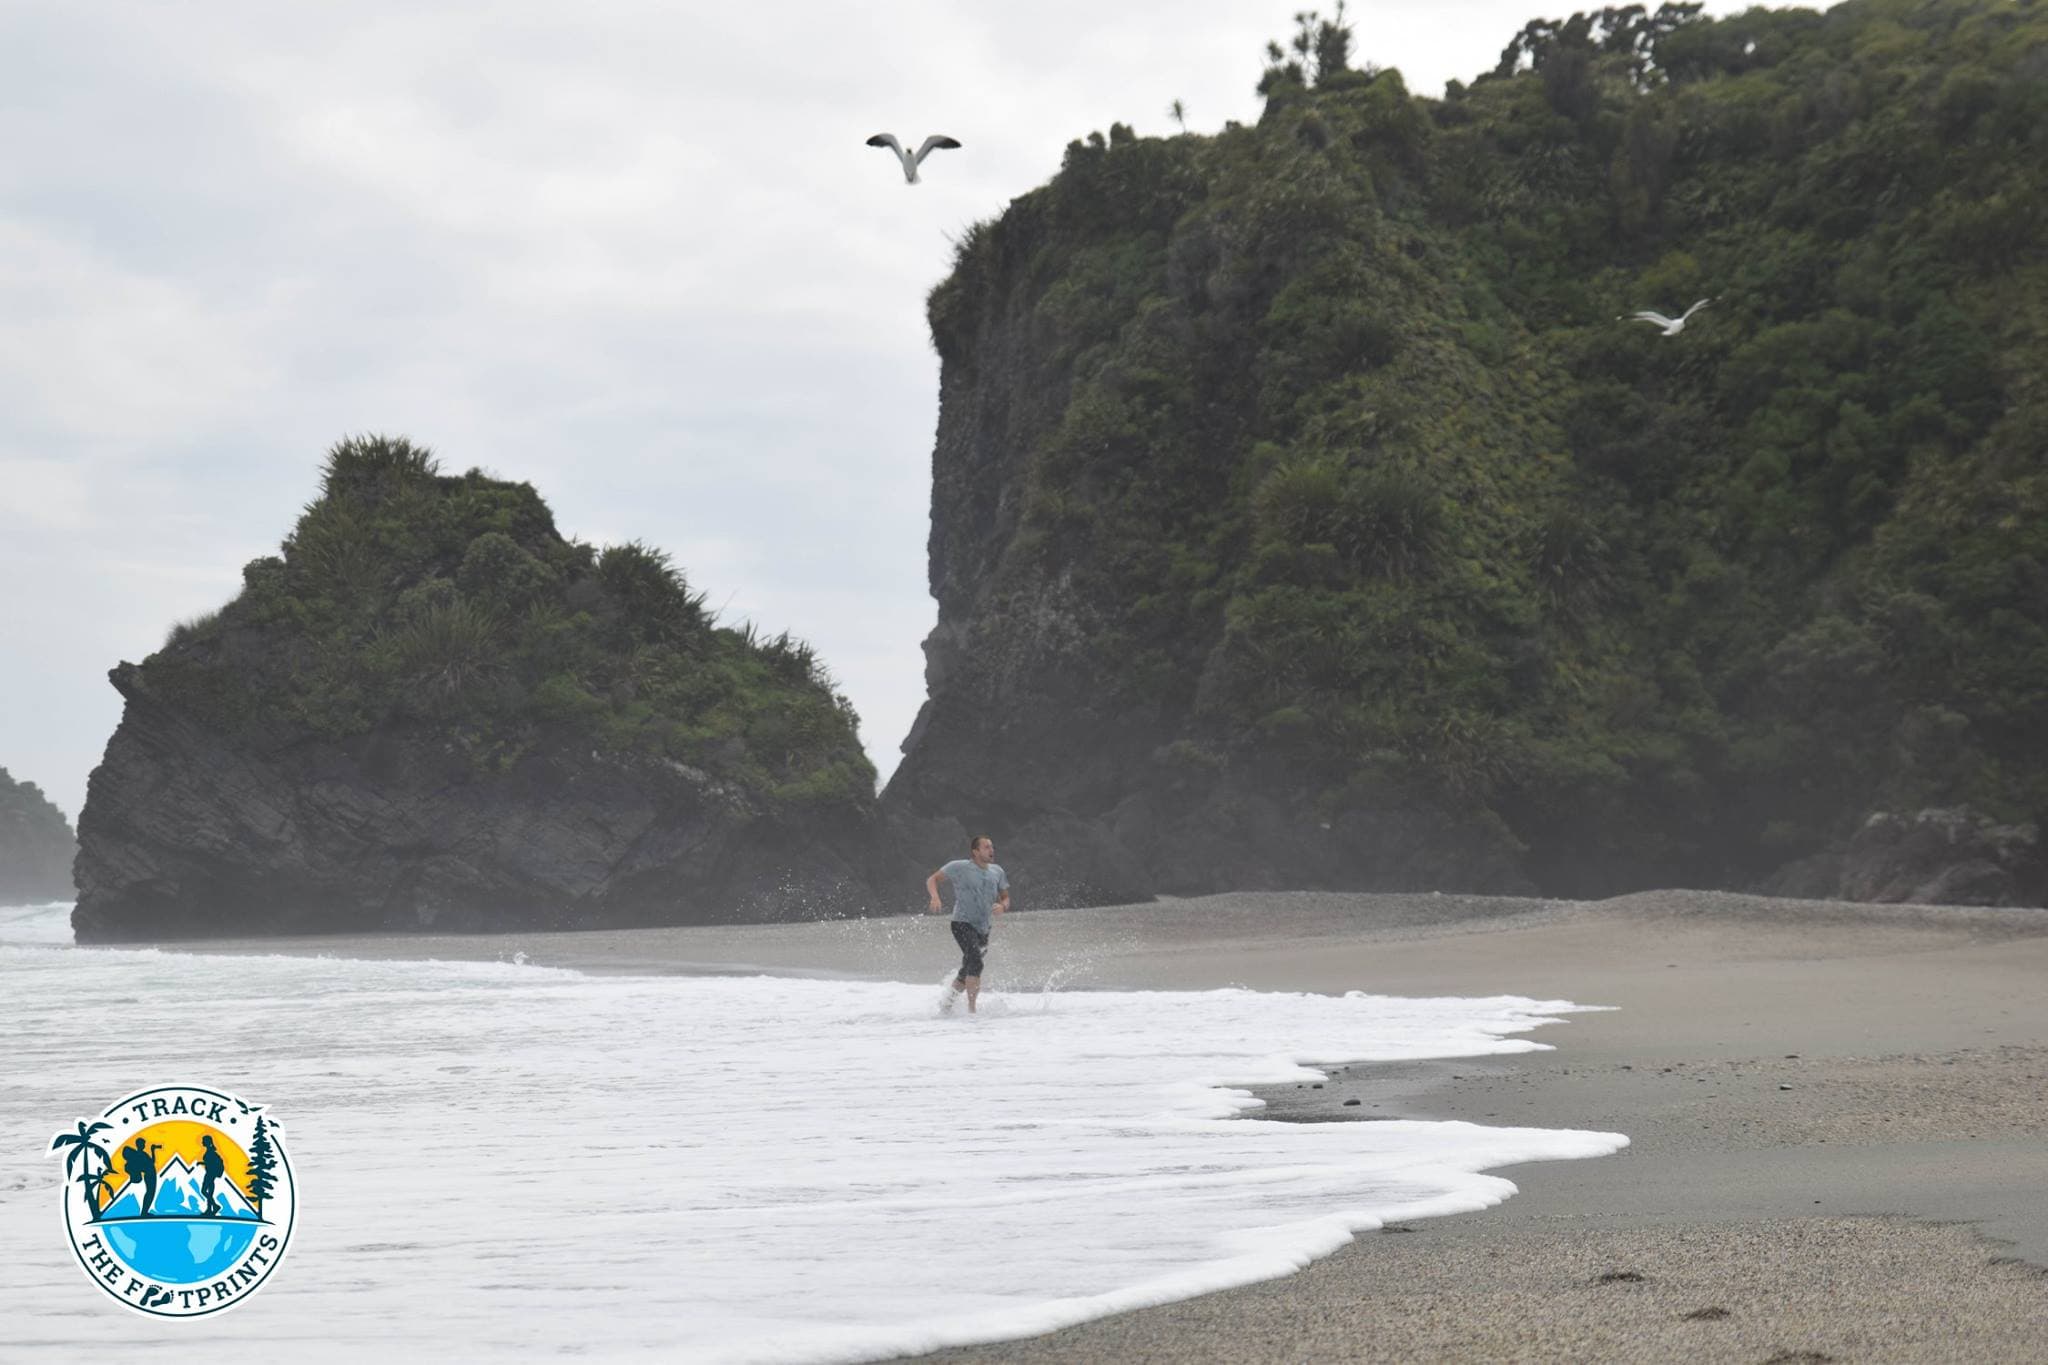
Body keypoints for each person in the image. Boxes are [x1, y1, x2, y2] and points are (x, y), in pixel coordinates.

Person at [926, 835, 1009, 1013]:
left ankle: (946, 1006)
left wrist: (1002, 906)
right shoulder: (959, 867)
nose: (991, 850)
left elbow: (1006, 897)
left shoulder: (997, 871)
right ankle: (972, 1012)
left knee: (968, 967)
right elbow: (932, 879)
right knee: (976, 963)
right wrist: (935, 896)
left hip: (984, 927)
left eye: (992, 846)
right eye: (986, 847)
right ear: (975, 851)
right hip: (961, 923)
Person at [199, 1134, 227, 1216]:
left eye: (203, 1141)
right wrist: (202, 1163)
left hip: (210, 1174)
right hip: (211, 1174)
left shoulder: (211, 1152)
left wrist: (204, 1163)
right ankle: (210, 1209)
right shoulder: (210, 1151)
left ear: (207, 1142)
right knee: (209, 1192)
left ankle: (214, 1206)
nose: (202, 1142)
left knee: (204, 1191)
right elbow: (209, 1162)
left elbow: (211, 1163)